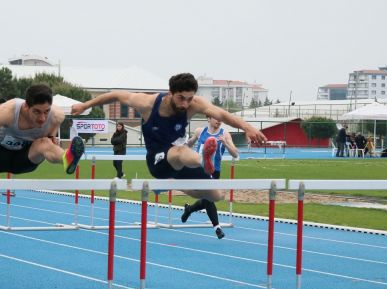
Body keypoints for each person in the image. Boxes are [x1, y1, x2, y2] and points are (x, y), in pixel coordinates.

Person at [71, 73, 266, 239]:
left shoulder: (193, 104)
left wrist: (248, 127)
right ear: (170, 93)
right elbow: (114, 95)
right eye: (181, 98)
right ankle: (203, 162)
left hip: (180, 163)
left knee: (216, 195)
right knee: (180, 152)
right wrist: (84, 105)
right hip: (158, 161)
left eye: (190, 98)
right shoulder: (148, 103)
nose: (186, 103)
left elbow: (222, 114)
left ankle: (181, 181)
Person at [182, 115, 239, 236]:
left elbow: (235, 153)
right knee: (208, 197)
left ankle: (189, 209)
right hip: (198, 170)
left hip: (214, 171)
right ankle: (217, 228)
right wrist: (183, 144)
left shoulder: (225, 134)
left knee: (207, 199)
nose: (219, 121)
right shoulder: (200, 131)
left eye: (221, 119)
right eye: (216, 118)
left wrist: (225, 143)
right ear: (208, 118)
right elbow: (189, 144)